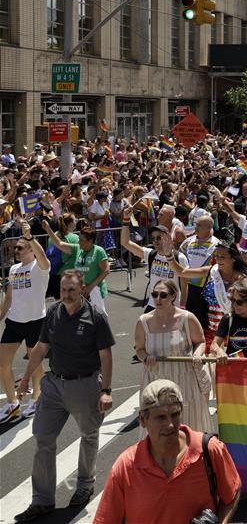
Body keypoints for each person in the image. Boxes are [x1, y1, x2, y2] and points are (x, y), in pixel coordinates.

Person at [13, 270, 114, 522]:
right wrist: (25, 379)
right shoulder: (53, 313)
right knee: (43, 437)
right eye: (63, 289)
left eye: (71, 289)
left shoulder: (96, 317)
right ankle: (42, 500)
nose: (66, 294)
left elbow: (106, 356)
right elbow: (41, 348)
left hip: (85, 384)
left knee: (88, 435)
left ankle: (84, 485)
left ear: (81, 289)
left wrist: (106, 391)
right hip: (54, 385)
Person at [93, 379, 241, 524]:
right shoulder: (126, 467)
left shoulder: (209, 450)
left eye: (175, 415)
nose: (170, 424)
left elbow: (232, 492)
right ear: (143, 420)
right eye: (161, 417)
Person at [134, 279, 213, 435]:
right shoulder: (143, 321)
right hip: (156, 380)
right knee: (159, 426)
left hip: (184, 379)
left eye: (163, 295)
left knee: (189, 423)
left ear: (173, 296)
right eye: (154, 294)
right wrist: (145, 357)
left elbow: (201, 342)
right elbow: (140, 349)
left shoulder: (187, 318)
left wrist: (197, 354)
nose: (158, 299)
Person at [0, 220, 51, 423]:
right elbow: (9, 297)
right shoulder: (13, 270)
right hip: (14, 322)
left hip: (35, 321)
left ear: (31, 249)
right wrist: (1, 315)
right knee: (3, 364)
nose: (16, 251)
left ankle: (37, 399)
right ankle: (12, 404)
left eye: (20, 247)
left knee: (36, 364)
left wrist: (30, 236)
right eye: (15, 248)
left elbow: (44, 258)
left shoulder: (40, 267)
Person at [120, 211, 189, 310]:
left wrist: (182, 307)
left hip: (173, 306)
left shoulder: (180, 258)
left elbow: (184, 286)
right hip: (153, 305)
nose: (155, 241)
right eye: (153, 238)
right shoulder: (150, 254)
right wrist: (126, 220)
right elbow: (125, 242)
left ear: (167, 237)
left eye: (159, 238)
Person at [42, 222, 111, 317]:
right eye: (79, 239)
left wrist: (90, 286)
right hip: (80, 291)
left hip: (94, 291)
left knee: (98, 317)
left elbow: (106, 271)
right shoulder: (77, 248)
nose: (79, 242)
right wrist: (48, 229)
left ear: (90, 241)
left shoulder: (99, 251)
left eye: (82, 240)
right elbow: (59, 244)